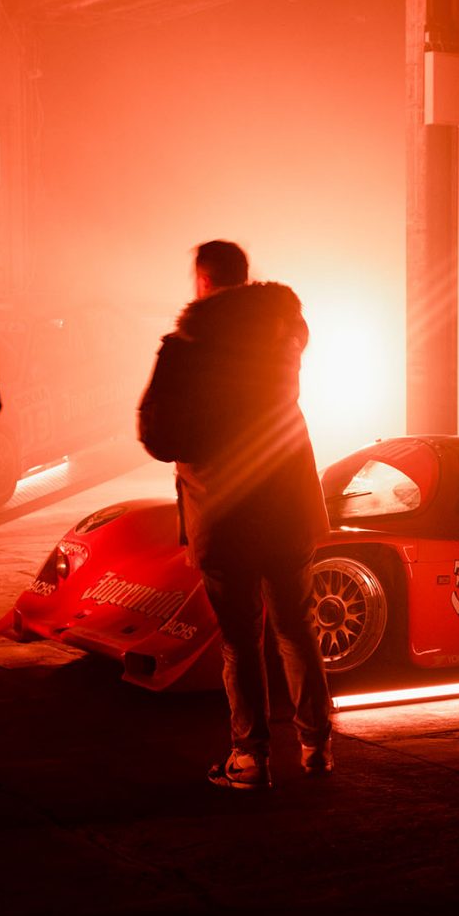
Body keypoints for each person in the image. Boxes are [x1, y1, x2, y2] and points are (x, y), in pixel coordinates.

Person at [137, 239, 330, 791]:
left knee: (240, 640)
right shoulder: (284, 334)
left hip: (224, 506)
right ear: (245, 280)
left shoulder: (186, 346)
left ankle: (251, 758)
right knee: (297, 626)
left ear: (202, 281)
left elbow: (157, 433)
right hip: (287, 503)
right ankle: (317, 745)